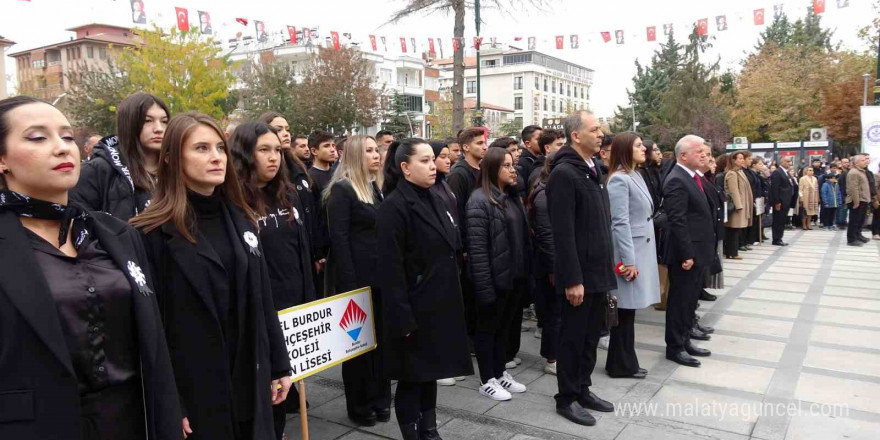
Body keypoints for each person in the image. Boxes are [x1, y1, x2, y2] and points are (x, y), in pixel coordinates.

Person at [0, 96, 181, 440]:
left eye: (67, 137)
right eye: (38, 138)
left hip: (131, 422)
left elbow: (153, 340)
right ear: (2, 160)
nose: (61, 148)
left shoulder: (116, 234)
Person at [130, 112, 292, 440]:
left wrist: (279, 363)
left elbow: (263, 298)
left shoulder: (243, 219)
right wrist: (171, 401)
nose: (216, 157)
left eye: (220, 147)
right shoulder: (149, 232)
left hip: (249, 375)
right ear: (172, 158)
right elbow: (150, 329)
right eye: (201, 148)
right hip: (196, 386)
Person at [378, 138, 473, 439]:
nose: (433, 166)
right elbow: (390, 270)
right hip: (414, 308)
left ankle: (429, 429)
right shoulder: (394, 207)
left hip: (437, 303)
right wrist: (402, 317)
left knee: (430, 372)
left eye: (433, 159)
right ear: (405, 167)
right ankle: (412, 432)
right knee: (412, 377)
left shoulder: (433, 196)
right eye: (424, 161)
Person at [228, 122, 316, 439]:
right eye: (263, 150)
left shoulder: (286, 194)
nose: (274, 158)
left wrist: (309, 299)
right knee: (263, 395)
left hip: (294, 305)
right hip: (262, 312)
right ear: (243, 155)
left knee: (285, 387)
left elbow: (300, 250)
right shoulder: (233, 200)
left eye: (277, 150)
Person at [547, 111, 616, 426]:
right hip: (580, 276)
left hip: (598, 271)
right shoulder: (565, 173)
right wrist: (573, 279)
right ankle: (567, 397)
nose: (600, 134)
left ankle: (583, 388)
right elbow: (563, 233)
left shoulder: (592, 169)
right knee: (573, 338)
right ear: (576, 135)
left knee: (590, 336)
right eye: (594, 129)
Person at [322, 135, 392, 425]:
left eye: (377, 150)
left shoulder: (375, 190)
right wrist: (351, 288)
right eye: (368, 151)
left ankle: (380, 399)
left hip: (379, 281)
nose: (376, 155)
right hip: (356, 283)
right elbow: (339, 242)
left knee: (381, 345)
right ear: (353, 155)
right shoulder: (342, 191)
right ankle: (360, 405)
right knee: (358, 348)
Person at [466, 147, 531, 401]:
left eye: (512, 164)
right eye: (506, 165)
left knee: (503, 329)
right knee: (487, 330)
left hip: (513, 278)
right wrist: (484, 287)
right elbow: (477, 249)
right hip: (492, 280)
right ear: (492, 169)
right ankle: (487, 379)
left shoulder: (510, 197)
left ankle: (500, 371)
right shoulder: (479, 200)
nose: (513, 170)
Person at [604, 133, 659, 379]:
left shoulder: (634, 174)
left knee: (630, 312)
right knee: (624, 311)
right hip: (630, 253)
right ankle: (620, 364)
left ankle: (626, 362)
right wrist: (628, 261)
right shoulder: (619, 179)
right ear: (626, 150)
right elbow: (619, 222)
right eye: (638, 146)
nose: (644, 149)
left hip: (641, 249)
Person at [70, 93, 169, 221]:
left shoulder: (177, 168)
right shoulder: (97, 171)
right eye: (148, 121)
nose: (159, 129)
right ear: (129, 123)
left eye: (164, 121)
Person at [663, 135, 715, 368]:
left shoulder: (693, 177)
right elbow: (678, 220)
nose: (704, 155)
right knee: (680, 302)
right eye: (699, 151)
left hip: (699, 250)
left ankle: (685, 340)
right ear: (683, 155)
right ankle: (675, 347)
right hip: (687, 254)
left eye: (705, 151)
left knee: (690, 300)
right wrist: (686, 254)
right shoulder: (676, 179)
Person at [428, 140, 467, 387]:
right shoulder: (431, 188)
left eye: (446, 156)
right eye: (440, 156)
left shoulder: (445, 183)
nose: (446, 160)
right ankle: (437, 365)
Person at [527, 150, 560, 375]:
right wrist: (554, 267)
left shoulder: (553, 189)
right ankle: (552, 358)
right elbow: (547, 235)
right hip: (549, 264)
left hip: (554, 261)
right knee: (554, 313)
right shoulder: (545, 193)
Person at [638, 141, 669, 312]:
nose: (659, 154)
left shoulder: (655, 171)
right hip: (649, 221)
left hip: (657, 220)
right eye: (655, 150)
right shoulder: (641, 173)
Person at [723, 152, 753, 259]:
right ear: (733, 160)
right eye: (739, 158)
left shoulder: (740, 172)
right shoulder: (732, 173)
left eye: (742, 158)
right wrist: (739, 205)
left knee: (735, 230)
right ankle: (732, 252)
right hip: (736, 206)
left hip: (741, 204)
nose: (742, 160)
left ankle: (732, 252)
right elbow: (733, 191)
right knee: (733, 229)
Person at [846, 155, 871, 246]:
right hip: (857, 201)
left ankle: (858, 235)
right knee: (854, 221)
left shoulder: (861, 171)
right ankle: (852, 239)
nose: (865, 161)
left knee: (860, 220)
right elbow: (854, 188)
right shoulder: (854, 173)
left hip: (863, 199)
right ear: (856, 163)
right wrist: (856, 202)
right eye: (863, 160)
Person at [307, 130, 338, 195]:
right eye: (326, 146)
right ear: (314, 151)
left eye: (333, 145)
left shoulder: (338, 173)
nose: (332, 150)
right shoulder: (309, 178)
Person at [517, 125, 544, 194]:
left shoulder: (544, 159)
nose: (543, 142)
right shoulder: (522, 163)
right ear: (528, 144)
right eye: (539, 139)